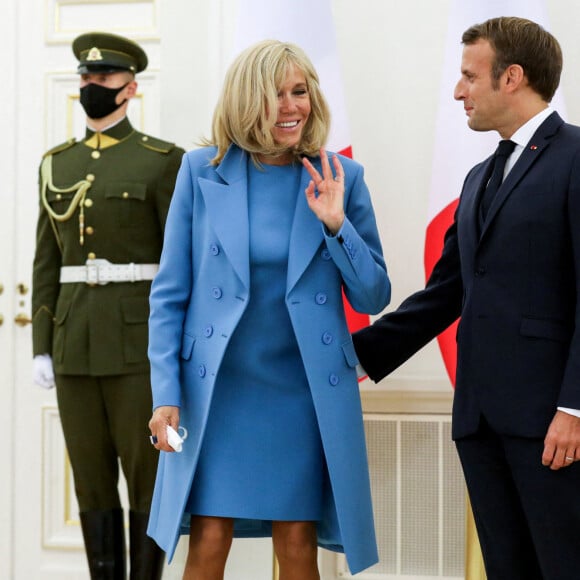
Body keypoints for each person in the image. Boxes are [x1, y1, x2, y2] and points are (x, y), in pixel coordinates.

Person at [145, 39, 390, 579]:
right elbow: (169, 295)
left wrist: (335, 223)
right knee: (208, 538)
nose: (291, 106)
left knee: (298, 542)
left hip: (301, 389)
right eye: (274, 94)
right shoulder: (200, 172)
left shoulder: (341, 177)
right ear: (245, 100)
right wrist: (166, 395)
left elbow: (373, 296)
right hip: (217, 390)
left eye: (299, 92)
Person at [353, 16, 580, 580]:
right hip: (480, 419)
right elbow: (446, 292)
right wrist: (356, 354)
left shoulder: (577, 157)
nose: (458, 91)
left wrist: (575, 409)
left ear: (513, 78)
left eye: (468, 76)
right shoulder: (479, 174)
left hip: (554, 424)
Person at [32, 31, 185, 579]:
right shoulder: (57, 164)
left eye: (103, 78)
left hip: (142, 348)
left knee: (149, 477)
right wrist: (41, 346)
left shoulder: (162, 161)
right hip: (74, 346)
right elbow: (46, 261)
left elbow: (180, 264)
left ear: (130, 87)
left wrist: (180, 353)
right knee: (91, 482)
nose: (91, 85)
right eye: (85, 77)